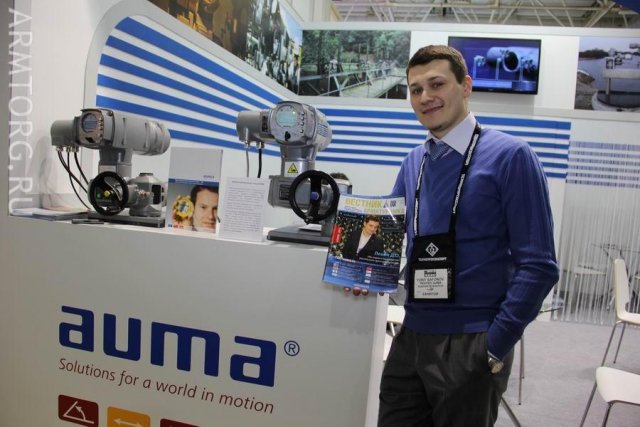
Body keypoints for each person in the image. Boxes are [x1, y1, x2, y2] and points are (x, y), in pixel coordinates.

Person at [374, 45, 560, 426]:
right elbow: (386, 238)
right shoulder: (413, 162)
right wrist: (360, 270)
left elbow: (539, 266)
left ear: (466, 86)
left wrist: (494, 346)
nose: (425, 97)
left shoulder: (511, 156)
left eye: (436, 84)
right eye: (415, 89)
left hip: (471, 341)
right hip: (410, 337)